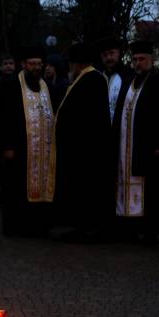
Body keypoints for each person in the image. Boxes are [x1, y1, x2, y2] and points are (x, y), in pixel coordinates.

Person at [110, 40, 159, 244]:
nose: (138, 63)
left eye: (142, 59)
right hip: (126, 148)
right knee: (126, 185)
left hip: (149, 148)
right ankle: (129, 226)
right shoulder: (129, 81)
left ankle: (150, 230)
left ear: (151, 60)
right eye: (135, 59)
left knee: (151, 189)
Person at [53, 42, 111, 242]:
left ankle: (86, 228)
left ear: (76, 64)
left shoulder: (91, 79)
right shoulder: (86, 78)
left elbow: (88, 117)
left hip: (85, 148)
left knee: (85, 189)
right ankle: (80, 226)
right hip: (79, 147)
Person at [0, 46, 55, 237]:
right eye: (32, 64)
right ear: (23, 65)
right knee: (16, 187)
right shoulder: (12, 84)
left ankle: (37, 225)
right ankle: (16, 227)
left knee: (40, 186)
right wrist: (7, 146)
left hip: (41, 151)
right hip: (19, 148)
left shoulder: (45, 86)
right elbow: (3, 117)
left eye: (39, 64)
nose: (36, 68)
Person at [98, 36, 129, 125]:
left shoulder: (128, 76)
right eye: (105, 55)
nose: (108, 58)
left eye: (112, 53)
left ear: (118, 53)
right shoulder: (98, 76)